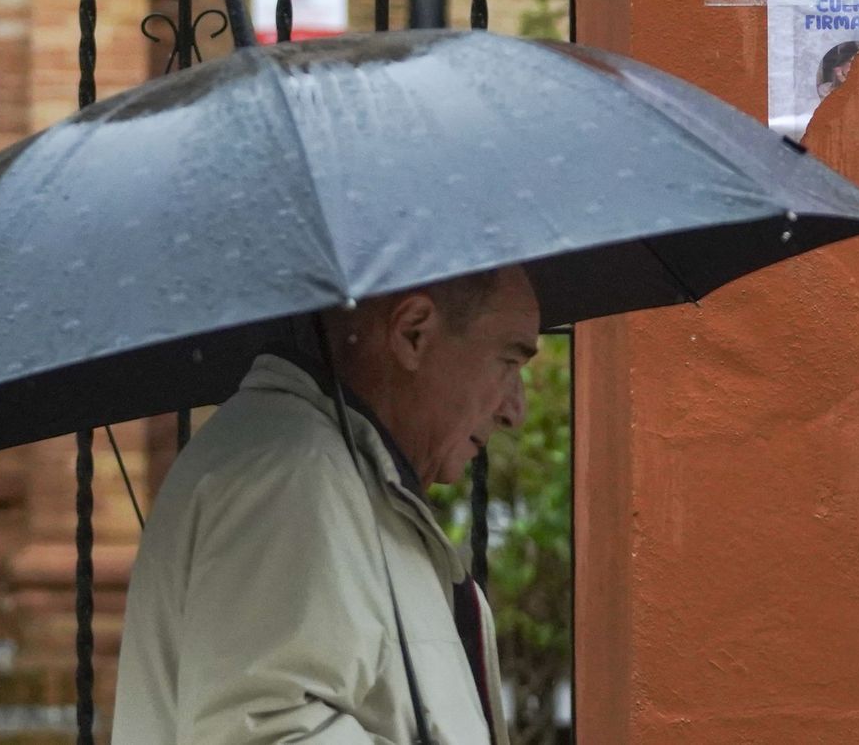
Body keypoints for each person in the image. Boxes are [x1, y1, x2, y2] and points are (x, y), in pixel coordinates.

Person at [112, 265, 541, 744]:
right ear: (413, 333)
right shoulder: (291, 470)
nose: (515, 410)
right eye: (509, 362)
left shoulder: (339, 477)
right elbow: (266, 731)